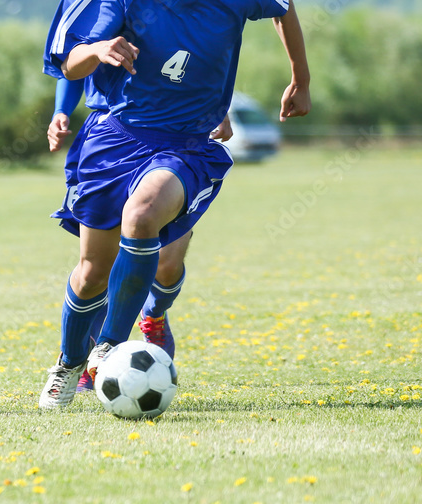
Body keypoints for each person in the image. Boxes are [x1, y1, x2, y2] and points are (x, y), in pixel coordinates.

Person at [38, 0, 311, 409]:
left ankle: (110, 346)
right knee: (92, 273)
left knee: (144, 215)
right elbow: (70, 63)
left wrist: (300, 79)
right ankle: (70, 361)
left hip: (186, 145)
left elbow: (282, 6)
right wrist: (97, 50)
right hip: (113, 140)